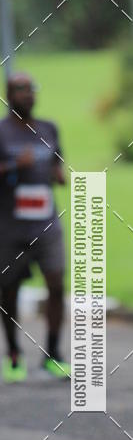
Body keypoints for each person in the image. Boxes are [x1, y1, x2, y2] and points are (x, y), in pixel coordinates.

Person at [0, 72, 70, 382]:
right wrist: (15, 165)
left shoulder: (48, 128)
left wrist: (58, 173)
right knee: (8, 290)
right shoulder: (2, 133)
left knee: (56, 284)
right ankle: (14, 354)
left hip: (46, 223)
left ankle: (53, 354)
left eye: (31, 89)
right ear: (8, 95)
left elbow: (56, 161)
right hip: (10, 226)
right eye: (20, 90)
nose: (27, 94)